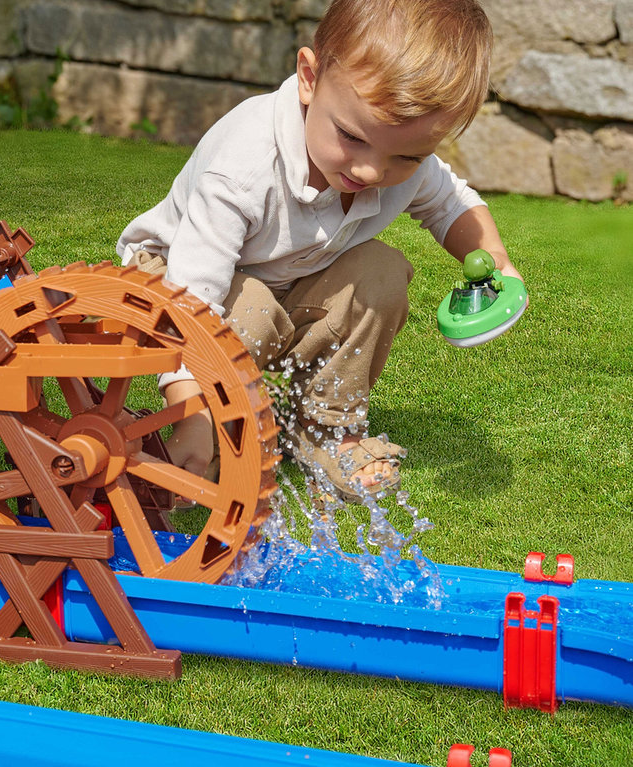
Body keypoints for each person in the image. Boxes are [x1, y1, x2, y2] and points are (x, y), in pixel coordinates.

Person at [116, 0, 523, 502]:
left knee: (381, 271)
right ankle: (195, 426)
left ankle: (326, 429)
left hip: (279, 283)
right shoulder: (244, 165)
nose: (371, 172)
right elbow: (190, 295)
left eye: (407, 156)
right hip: (170, 284)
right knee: (255, 310)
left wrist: (498, 265)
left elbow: (450, 202)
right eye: (351, 137)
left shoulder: (397, 163)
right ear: (309, 78)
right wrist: (191, 408)